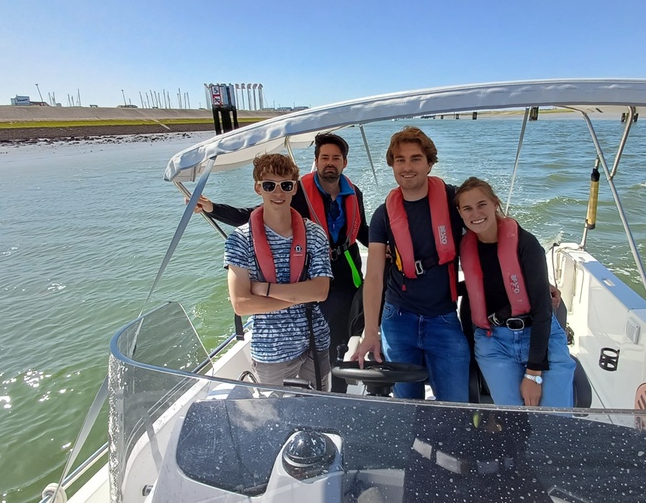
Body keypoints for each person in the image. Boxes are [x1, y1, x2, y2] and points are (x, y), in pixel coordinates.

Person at [196, 133, 368, 393]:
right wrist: (213, 208)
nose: (330, 163)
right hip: (310, 277)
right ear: (317, 161)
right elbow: (256, 213)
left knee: (342, 333)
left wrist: (386, 247)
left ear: (344, 162)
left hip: (346, 270)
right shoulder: (296, 193)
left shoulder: (355, 193)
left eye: (335, 158)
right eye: (324, 158)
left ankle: (339, 392)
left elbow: (361, 229)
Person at [351, 126, 471, 402]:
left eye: (415, 158)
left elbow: (492, 231)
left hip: (443, 318)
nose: (407, 167)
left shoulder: (455, 200)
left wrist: (532, 276)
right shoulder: (383, 216)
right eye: (400, 160)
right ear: (392, 165)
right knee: (407, 406)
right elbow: (374, 277)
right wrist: (371, 332)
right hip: (397, 320)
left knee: (456, 406)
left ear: (429, 163)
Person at [455, 177, 575, 407]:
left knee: (555, 423)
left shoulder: (526, 244)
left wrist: (533, 374)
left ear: (495, 203)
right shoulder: (466, 247)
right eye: (467, 208)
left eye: (482, 205)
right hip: (494, 344)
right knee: (516, 423)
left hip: (539, 335)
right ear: (460, 213)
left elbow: (542, 310)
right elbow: (476, 289)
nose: (475, 214)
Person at [223, 153, 333, 390]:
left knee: (318, 410)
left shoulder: (314, 234)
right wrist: (300, 297)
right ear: (257, 188)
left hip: (317, 342)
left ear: (294, 189)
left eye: (286, 185)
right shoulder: (240, 240)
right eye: (269, 185)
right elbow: (241, 304)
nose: (278, 192)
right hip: (271, 351)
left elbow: (321, 291)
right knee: (276, 418)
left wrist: (266, 290)